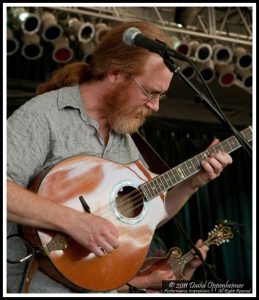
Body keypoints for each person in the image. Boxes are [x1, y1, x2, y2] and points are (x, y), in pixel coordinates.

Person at [7, 20, 233, 293]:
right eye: (150, 92)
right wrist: (73, 221)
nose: (155, 105)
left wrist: (192, 183)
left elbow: (146, 219)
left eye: (162, 95)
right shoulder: (44, 116)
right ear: (115, 73)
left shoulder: (125, 140)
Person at [117, 234, 209, 293]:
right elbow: (106, 288)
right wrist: (148, 280)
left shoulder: (155, 239)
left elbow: (174, 290)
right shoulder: (116, 238)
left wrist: (190, 267)